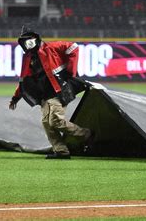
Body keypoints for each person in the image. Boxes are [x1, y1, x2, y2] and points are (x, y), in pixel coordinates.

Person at [9, 26, 94, 159]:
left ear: (36, 38)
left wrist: (71, 70)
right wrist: (16, 97)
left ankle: (86, 135)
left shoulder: (51, 48)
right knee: (47, 123)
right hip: (44, 96)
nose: (28, 43)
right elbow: (23, 81)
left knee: (55, 122)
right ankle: (61, 151)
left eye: (29, 39)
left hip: (58, 92)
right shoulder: (28, 59)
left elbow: (73, 47)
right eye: (25, 41)